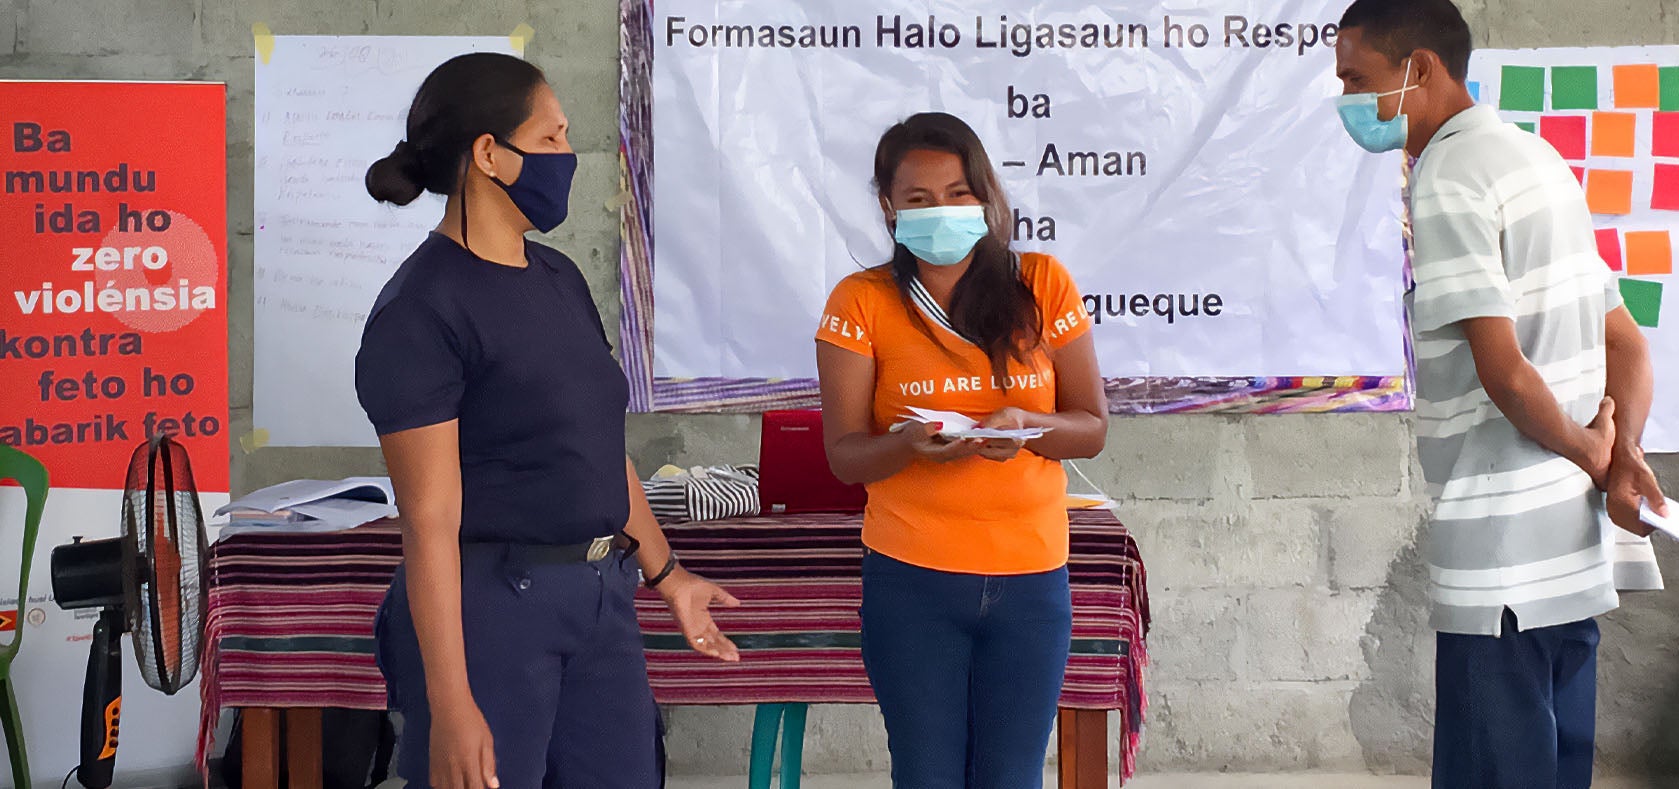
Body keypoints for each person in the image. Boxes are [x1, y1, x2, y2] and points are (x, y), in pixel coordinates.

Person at [355, 52, 740, 789]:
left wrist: (668, 574)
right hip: (492, 609)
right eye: (552, 137)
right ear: (490, 154)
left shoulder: (556, 276)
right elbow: (428, 520)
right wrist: (452, 701)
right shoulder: (421, 309)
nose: (568, 155)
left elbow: (595, 449)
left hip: (599, 596)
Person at [1333, 1, 1669, 786]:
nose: (1345, 98)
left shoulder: (1446, 174)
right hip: (1570, 555)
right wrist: (1621, 459)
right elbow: (1625, 341)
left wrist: (1595, 450)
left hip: (1501, 567)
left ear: (1417, 68)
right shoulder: (1535, 158)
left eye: (1356, 77)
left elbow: (1504, 371)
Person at [814, 112, 1108, 787]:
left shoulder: (1041, 283)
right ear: (888, 208)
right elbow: (845, 455)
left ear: (986, 198)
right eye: (916, 198)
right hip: (912, 579)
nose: (939, 210)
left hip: (1032, 579)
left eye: (957, 193)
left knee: (1010, 776)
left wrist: (1027, 430)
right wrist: (909, 444)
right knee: (924, 774)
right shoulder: (860, 301)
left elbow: (1090, 425)